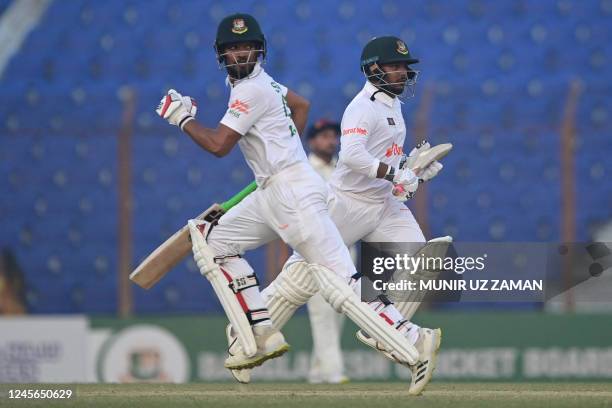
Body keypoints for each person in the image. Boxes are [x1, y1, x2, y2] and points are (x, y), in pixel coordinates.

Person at [156, 15, 422, 374]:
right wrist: (285, 149)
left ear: (260, 50)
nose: (240, 54)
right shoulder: (261, 84)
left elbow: (219, 146)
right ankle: (260, 330)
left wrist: (183, 120)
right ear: (221, 54)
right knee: (213, 241)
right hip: (274, 187)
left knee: (338, 282)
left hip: (293, 190)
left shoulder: (250, 89)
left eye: (247, 47)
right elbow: (303, 106)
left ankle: (410, 337)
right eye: (233, 48)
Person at [228, 36, 446, 395]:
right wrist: (395, 174)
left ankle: (383, 333)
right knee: (301, 280)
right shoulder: (362, 107)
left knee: (422, 260)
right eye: (394, 66)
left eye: (404, 67)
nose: (403, 73)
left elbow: (383, 158)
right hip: (347, 204)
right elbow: (353, 157)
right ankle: (246, 332)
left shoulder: (393, 105)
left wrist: (411, 171)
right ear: (374, 69)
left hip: (383, 205)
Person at [305, 120, 348, 384]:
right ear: (312, 142)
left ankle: (318, 370)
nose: (331, 141)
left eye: (333, 136)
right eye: (324, 136)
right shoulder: (305, 170)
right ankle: (333, 370)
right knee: (321, 311)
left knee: (340, 309)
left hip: (344, 247)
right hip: (314, 250)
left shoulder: (341, 170)